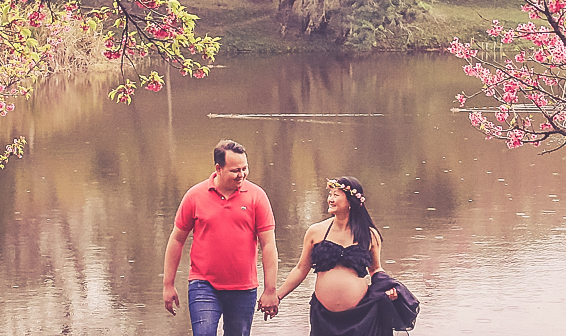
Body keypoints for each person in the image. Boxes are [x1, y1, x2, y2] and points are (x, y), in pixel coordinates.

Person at [163, 139, 279, 336]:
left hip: (244, 288)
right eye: (235, 170)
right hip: (203, 284)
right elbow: (177, 239)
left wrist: (270, 290)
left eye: (245, 168)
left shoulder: (257, 197)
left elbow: (268, 245)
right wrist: (168, 284)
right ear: (218, 168)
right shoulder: (195, 196)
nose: (241, 174)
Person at [275, 177, 418, 336]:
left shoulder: (370, 235)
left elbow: (375, 269)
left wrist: (389, 288)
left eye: (336, 195)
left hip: (362, 315)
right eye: (330, 194)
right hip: (323, 316)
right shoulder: (315, 231)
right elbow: (301, 269)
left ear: (350, 201)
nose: (330, 199)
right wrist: (277, 296)